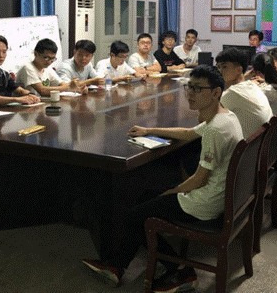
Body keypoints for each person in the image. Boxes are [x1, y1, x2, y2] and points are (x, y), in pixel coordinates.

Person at [83, 65, 243, 291]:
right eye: (189, 87)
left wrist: (171, 192)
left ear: (216, 92)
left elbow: (199, 180)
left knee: (135, 216)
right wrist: (149, 130)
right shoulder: (226, 117)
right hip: (220, 194)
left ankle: (180, 270)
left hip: (205, 202)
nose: (190, 94)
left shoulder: (216, 129)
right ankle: (117, 266)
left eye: (198, 89)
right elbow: (189, 133)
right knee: (145, 198)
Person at [215, 47, 272, 138]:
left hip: (246, 145)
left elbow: (209, 120)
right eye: (218, 67)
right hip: (261, 142)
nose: (220, 71)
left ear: (239, 70)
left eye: (224, 66)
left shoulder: (233, 93)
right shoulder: (252, 85)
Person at [0, 34, 40, 106]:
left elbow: (19, 90)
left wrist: (30, 95)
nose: (1, 56)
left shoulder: (5, 75)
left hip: (4, 112)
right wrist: (15, 99)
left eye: (4, 52)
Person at [16, 38, 87, 97]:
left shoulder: (47, 68)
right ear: (36, 54)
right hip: (24, 107)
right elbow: (42, 91)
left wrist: (78, 88)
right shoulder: (28, 68)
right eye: (47, 58)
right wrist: (69, 88)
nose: (49, 62)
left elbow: (62, 84)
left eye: (53, 59)